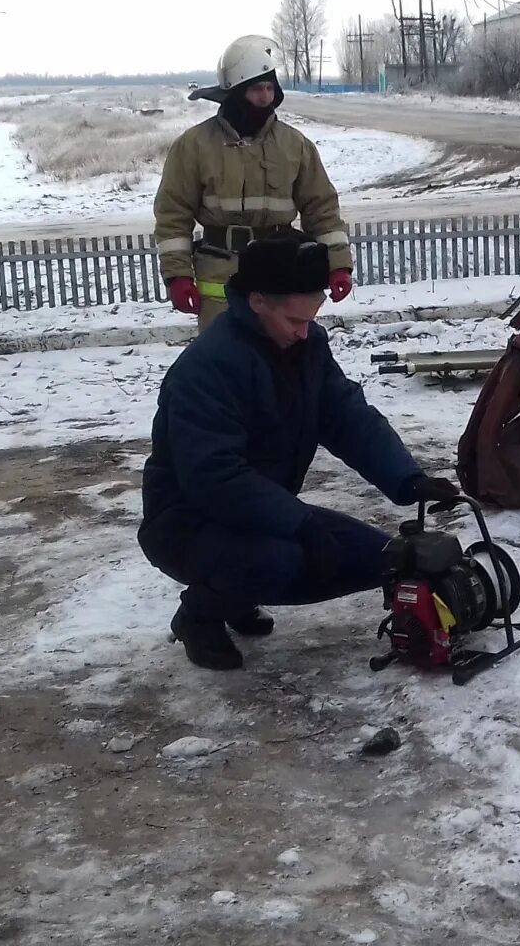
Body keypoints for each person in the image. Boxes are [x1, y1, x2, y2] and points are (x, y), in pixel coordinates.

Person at [138, 236, 458, 670]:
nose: (304, 331)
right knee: (281, 560)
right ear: (257, 301)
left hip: (265, 513)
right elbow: (214, 478)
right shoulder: (208, 368)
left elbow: (345, 415)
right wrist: (300, 523)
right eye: (294, 319)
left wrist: (407, 479)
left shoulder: (306, 347)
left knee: (386, 558)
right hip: (187, 523)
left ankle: (237, 593)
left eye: (311, 319)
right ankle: (200, 613)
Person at [153, 34, 355, 332]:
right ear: (234, 92)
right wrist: (177, 276)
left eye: (269, 87)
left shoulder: (295, 145)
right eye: (255, 89)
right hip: (219, 279)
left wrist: (339, 265)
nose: (264, 97)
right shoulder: (194, 146)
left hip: (280, 273)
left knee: (282, 363)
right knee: (224, 366)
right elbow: (173, 216)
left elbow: (322, 209)